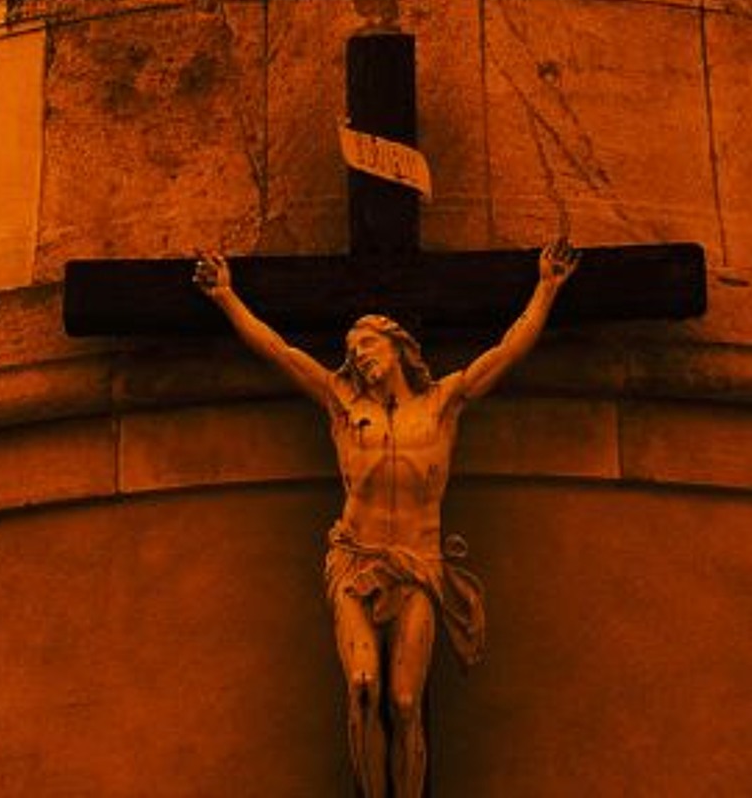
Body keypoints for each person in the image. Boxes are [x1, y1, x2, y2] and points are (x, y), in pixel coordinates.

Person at [196, 238, 576, 798]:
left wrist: (546, 288)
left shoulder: (443, 404)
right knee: (365, 686)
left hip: (419, 564)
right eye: (351, 350)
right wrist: (226, 297)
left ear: (398, 347)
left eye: (368, 344)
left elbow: (506, 351)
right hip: (355, 559)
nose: (358, 357)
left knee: (404, 700)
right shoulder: (342, 403)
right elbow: (278, 351)